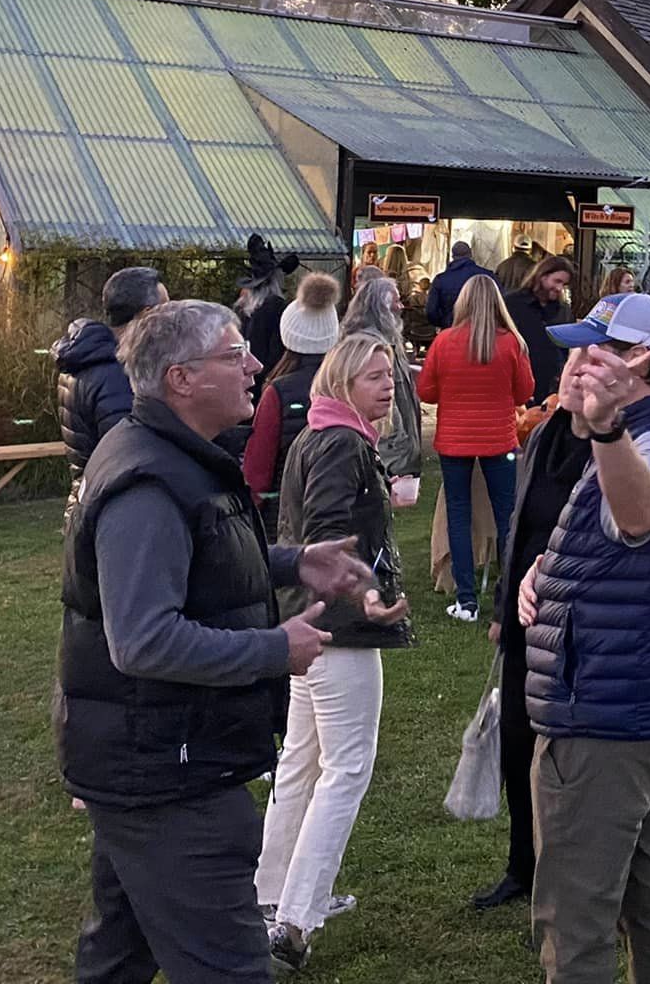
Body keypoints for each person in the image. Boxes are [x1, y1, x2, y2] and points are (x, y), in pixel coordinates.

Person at [55, 299, 386, 984]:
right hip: (166, 774)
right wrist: (273, 649)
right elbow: (143, 640)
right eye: (235, 354)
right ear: (181, 378)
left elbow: (196, 560)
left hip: (150, 759)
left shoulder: (175, 458)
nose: (257, 365)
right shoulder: (147, 481)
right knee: (228, 967)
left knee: (119, 955)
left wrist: (295, 562)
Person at [515, 293, 650, 982]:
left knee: (576, 921)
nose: (572, 366)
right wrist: (550, 569)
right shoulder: (642, 432)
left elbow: (642, 517)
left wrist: (602, 432)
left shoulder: (647, 440)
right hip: (638, 703)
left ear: (645, 363)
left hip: (601, 716)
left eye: (592, 354)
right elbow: (622, 548)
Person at [259, 331, 414, 974]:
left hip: (312, 620)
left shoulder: (326, 437)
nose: (387, 384)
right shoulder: (341, 442)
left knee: (302, 760)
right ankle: (295, 916)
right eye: (375, 375)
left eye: (390, 373)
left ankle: (270, 895)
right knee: (345, 767)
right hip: (338, 627)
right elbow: (324, 537)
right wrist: (366, 596)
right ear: (342, 382)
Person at [475, 367, 597, 916]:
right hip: (525, 618)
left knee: (568, 759)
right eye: (571, 367)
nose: (574, 376)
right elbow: (519, 524)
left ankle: (568, 876)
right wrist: (503, 605)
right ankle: (521, 866)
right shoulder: (545, 433)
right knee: (517, 745)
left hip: (578, 624)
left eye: (588, 367)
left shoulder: (610, 450)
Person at [417, 273, 533, 622]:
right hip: (500, 439)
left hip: (454, 441)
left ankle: (466, 600)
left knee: (459, 514)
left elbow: (426, 392)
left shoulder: (444, 343)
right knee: (507, 516)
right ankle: (511, 597)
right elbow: (524, 393)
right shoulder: (511, 343)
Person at [55, 266, 168, 487]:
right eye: (166, 308)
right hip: (114, 499)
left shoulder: (84, 358)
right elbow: (130, 455)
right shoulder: (119, 374)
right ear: (147, 315)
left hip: (89, 491)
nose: (171, 317)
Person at [242, 273, 342, 504]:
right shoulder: (348, 386)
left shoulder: (277, 392)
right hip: (340, 506)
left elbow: (257, 470)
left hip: (285, 509)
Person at [340, 275, 423, 495]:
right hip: (386, 453)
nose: (401, 306)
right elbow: (382, 402)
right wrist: (400, 448)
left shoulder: (389, 339)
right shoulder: (369, 345)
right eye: (396, 301)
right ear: (381, 307)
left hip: (391, 451)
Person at [505, 254, 576, 401]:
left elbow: (565, 348)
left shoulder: (563, 310)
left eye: (564, 284)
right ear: (542, 276)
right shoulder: (512, 303)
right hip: (517, 383)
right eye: (557, 281)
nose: (559, 288)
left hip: (551, 388)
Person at [236, 235, 303, 389]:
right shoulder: (277, 306)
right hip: (266, 379)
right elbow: (277, 351)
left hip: (243, 376)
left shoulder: (241, 307)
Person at [425, 240, 493, 332]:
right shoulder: (488, 276)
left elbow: (431, 311)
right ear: (470, 254)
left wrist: (444, 322)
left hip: (451, 329)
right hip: (482, 331)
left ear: (453, 256)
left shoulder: (441, 279)